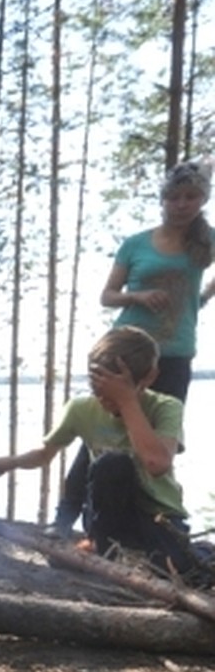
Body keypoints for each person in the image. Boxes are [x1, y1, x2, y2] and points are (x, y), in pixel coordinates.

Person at [50, 158, 215, 537]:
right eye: (175, 196)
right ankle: (63, 520)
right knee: (97, 433)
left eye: (191, 196)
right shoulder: (137, 244)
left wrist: (201, 298)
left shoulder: (205, 243)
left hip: (174, 355)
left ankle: (149, 523)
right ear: (164, 199)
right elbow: (108, 296)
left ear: (202, 200)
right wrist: (139, 297)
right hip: (124, 353)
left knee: (157, 444)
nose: (182, 204)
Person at [0, 327, 199, 580]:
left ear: (150, 377)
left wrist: (127, 402)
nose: (103, 399)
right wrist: (5, 463)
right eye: (96, 387)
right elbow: (44, 454)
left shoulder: (165, 408)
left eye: (111, 391)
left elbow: (157, 463)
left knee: (179, 570)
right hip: (109, 516)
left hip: (160, 516)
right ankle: (103, 549)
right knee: (110, 465)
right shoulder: (81, 410)